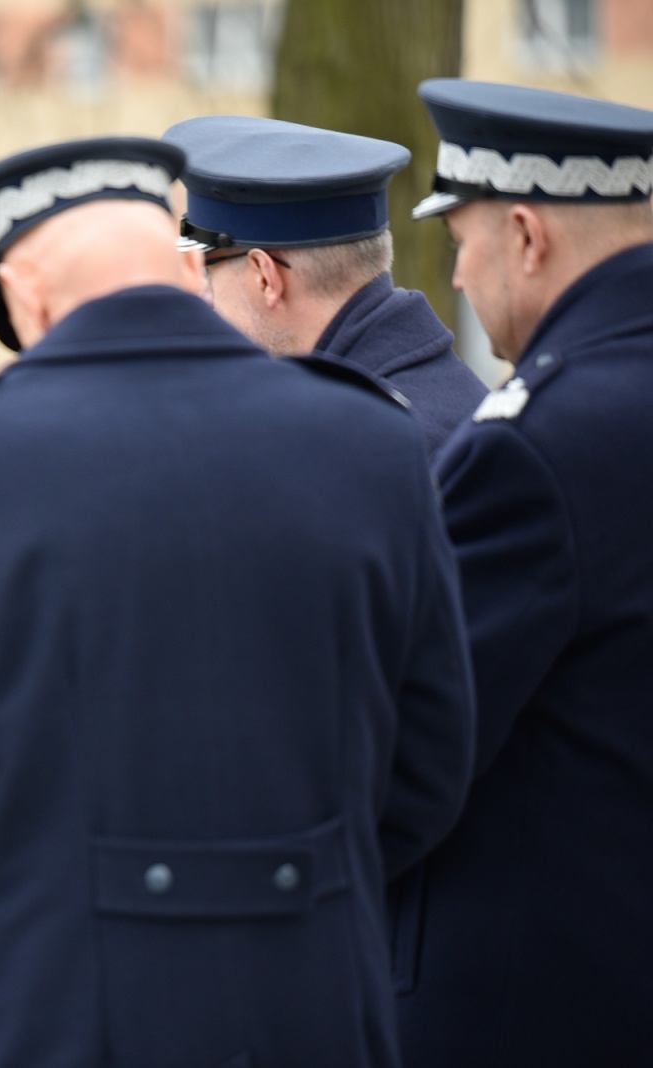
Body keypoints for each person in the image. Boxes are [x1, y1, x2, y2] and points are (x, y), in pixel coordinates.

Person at [0, 137, 477, 1068]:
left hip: (62, 1015)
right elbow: (429, 762)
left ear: (20, 292)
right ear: (180, 266)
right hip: (315, 1004)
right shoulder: (366, 434)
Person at [392, 79, 653, 1067]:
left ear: (526, 233)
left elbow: (410, 746)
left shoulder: (530, 447)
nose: (455, 276)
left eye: (460, 241)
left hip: (543, 998)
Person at [165, 115, 488, 454]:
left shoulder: (357, 443)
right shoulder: (423, 397)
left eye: (210, 274)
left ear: (265, 277)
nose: (207, 299)